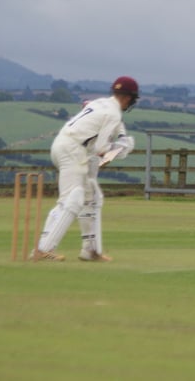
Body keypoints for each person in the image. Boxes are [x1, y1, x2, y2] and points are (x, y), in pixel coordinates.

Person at [33, 76, 139, 262]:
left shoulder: (101, 103)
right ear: (128, 98)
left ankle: (91, 250)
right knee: (73, 197)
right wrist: (121, 149)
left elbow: (96, 114)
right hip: (74, 150)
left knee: (92, 197)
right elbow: (100, 149)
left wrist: (121, 139)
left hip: (64, 145)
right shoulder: (113, 114)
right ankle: (43, 248)